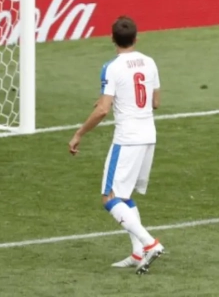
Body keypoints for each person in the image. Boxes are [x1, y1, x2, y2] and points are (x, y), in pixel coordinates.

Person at [68, 16, 164, 274]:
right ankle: (137, 253)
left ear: (112, 38)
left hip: (127, 138)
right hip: (148, 135)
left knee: (109, 197)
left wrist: (79, 133)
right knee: (124, 196)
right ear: (136, 38)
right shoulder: (149, 62)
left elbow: (102, 110)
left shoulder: (111, 67)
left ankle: (150, 243)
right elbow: (155, 103)